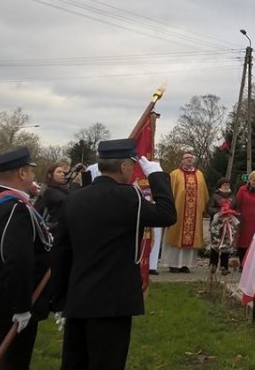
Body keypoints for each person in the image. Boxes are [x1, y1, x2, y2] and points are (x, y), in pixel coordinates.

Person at [52, 139, 176, 370]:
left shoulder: (73, 199)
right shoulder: (130, 197)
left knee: (74, 363)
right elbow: (167, 214)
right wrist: (157, 176)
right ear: (124, 167)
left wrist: (60, 301)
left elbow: (61, 253)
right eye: (131, 165)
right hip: (113, 302)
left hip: (78, 298)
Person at [0, 147, 52, 370]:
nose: (33, 175)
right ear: (22, 173)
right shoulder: (15, 208)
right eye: (31, 171)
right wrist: (21, 307)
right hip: (7, 306)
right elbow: (18, 260)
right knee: (10, 363)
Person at [163, 152, 209, 273]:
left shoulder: (199, 175)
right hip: (178, 211)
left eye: (190, 158)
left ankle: (185, 264)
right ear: (182, 161)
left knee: (191, 237)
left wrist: (202, 209)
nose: (189, 160)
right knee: (175, 236)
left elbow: (204, 194)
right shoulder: (174, 174)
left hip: (194, 213)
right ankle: (172, 263)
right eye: (186, 158)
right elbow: (169, 193)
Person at [33, 161, 69, 234]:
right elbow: (69, 201)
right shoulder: (49, 192)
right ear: (50, 175)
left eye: (63, 172)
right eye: (59, 172)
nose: (63, 174)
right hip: (56, 232)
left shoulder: (61, 189)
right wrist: (76, 183)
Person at [209, 199, 240, 275]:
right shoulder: (217, 216)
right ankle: (213, 264)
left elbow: (236, 226)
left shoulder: (231, 217)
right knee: (215, 249)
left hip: (226, 237)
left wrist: (232, 228)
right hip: (218, 236)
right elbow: (213, 226)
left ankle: (224, 267)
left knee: (226, 251)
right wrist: (221, 223)